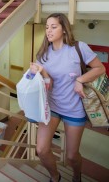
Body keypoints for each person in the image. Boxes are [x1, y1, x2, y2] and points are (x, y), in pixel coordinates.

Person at [31, 13, 105, 182]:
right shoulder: (43, 52)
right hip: (51, 107)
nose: (49, 30)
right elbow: (41, 77)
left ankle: (77, 176)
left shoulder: (78, 48)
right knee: (41, 150)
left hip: (74, 109)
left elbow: (100, 69)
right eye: (47, 27)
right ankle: (55, 176)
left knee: (72, 156)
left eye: (54, 27)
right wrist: (40, 73)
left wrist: (80, 79)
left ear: (64, 29)